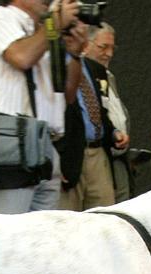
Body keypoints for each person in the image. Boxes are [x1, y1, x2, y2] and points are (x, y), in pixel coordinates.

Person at [0, 0, 85, 214]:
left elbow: (69, 93)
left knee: (43, 238)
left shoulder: (45, 31)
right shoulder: (1, 17)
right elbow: (21, 57)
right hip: (13, 143)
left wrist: (74, 53)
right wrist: (55, 24)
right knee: (7, 232)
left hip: (47, 144)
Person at [59, 34, 116, 211]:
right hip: (69, 154)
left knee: (106, 216)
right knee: (68, 220)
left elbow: (100, 109)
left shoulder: (95, 69)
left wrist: (113, 132)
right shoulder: (53, 66)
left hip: (98, 153)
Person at [83, 23, 134, 202]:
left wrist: (116, 133)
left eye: (113, 48)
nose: (109, 54)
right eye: (103, 47)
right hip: (93, 155)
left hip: (115, 154)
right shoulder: (79, 75)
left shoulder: (108, 76)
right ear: (85, 44)